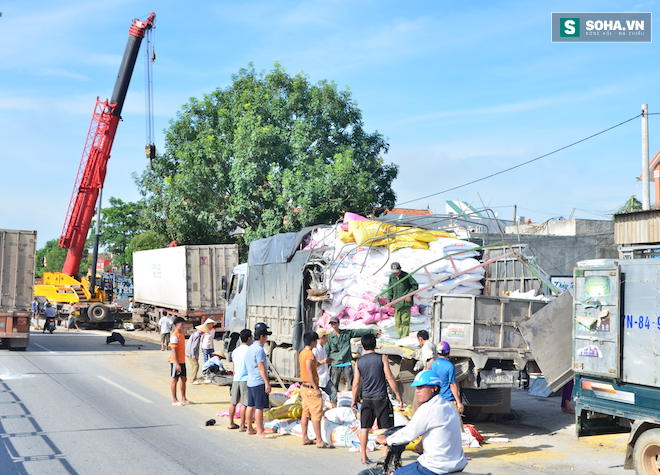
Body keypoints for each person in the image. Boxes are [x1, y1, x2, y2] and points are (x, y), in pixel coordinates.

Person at [376, 370, 468, 475]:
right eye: (417, 387)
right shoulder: (449, 406)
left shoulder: (429, 408)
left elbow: (409, 432)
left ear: (434, 388)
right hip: (456, 463)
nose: (417, 391)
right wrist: (420, 445)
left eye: (421, 387)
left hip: (436, 467)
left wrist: (387, 440)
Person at [352, 333, 403, 465]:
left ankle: (363, 456)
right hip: (381, 398)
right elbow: (389, 377)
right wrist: (397, 394)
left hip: (367, 399)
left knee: (365, 427)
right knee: (386, 428)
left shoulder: (359, 362)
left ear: (363, 345)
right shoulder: (382, 358)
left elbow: (356, 383)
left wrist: (353, 400)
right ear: (375, 344)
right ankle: (386, 457)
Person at [326, 315, 378, 406]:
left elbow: (359, 332)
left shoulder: (346, 333)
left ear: (338, 324)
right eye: (332, 324)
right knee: (334, 385)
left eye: (335, 323)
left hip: (346, 362)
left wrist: (372, 331)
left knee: (352, 383)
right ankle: (333, 403)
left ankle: (355, 401)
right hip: (335, 363)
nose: (333, 325)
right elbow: (327, 350)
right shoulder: (330, 337)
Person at [299, 331, 333, 449]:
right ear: (313, 341)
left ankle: (305, 437)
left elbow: (313, 366)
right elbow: (309, 370)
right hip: (310, 388)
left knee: (305, 413)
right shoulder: (309, 354)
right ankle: (319, 440)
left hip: (304, 388)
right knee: (316, 415)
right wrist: (316, 387)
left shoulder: (303, 353)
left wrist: (323, 362)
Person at [245, 322, 272, 438]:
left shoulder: (250, 348)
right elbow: (261, 367)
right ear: (262, 337)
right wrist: (267, 382)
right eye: (266, 336)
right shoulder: (259, 350)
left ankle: (249, 428)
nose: (266, 339)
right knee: (259, 407)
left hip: (250, 381)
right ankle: (260, 430)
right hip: (258, 381)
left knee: (250, 405)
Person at [430, 341, 464, 416]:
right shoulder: (450, 366)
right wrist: (458, 402)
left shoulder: (433, 365)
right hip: (448, 400)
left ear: (437, 352)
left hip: (436, 399)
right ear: (448, 352)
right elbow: (452, 384)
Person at [386, 262, 419, 339]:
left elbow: (415, 286)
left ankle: (404, 338)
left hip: (405, 303)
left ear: (400, 270)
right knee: (398, 322)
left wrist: (409, 294)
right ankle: (400, 337)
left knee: (405, 321)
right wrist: (389, 300)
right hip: (396, 303)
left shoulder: (406, 276)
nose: (396, 274)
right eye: (394, 273)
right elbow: (390, 289)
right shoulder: (392, 277)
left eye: (397, 272)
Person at [228, 329, 252, 431]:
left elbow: (234, 365)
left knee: (233, 402)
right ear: (249, 338)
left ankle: (231, 423)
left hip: (236, 378)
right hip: (245, 378)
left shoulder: (235, 351)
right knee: (244, 403)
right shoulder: (249, 351)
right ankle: (242, 425)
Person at [169, 317, 190, 406]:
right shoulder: (174, 336)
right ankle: (174, 399)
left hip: (182, 360)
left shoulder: (181, 334)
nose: (183, 326)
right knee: (175, 380)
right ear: (177, 325)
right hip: (175, 361)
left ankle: (183, 398)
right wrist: (177, 363)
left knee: (183, 379)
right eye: (182, 324)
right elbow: (174, 350)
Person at [312, 329, 333, 404]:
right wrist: (324, 361)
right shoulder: (315, 350)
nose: (328, 338)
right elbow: (313, 365)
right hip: (319, 379)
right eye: (326, 336)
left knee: (333, 394)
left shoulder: (323, 348)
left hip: (325, 378)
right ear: (322, 337)